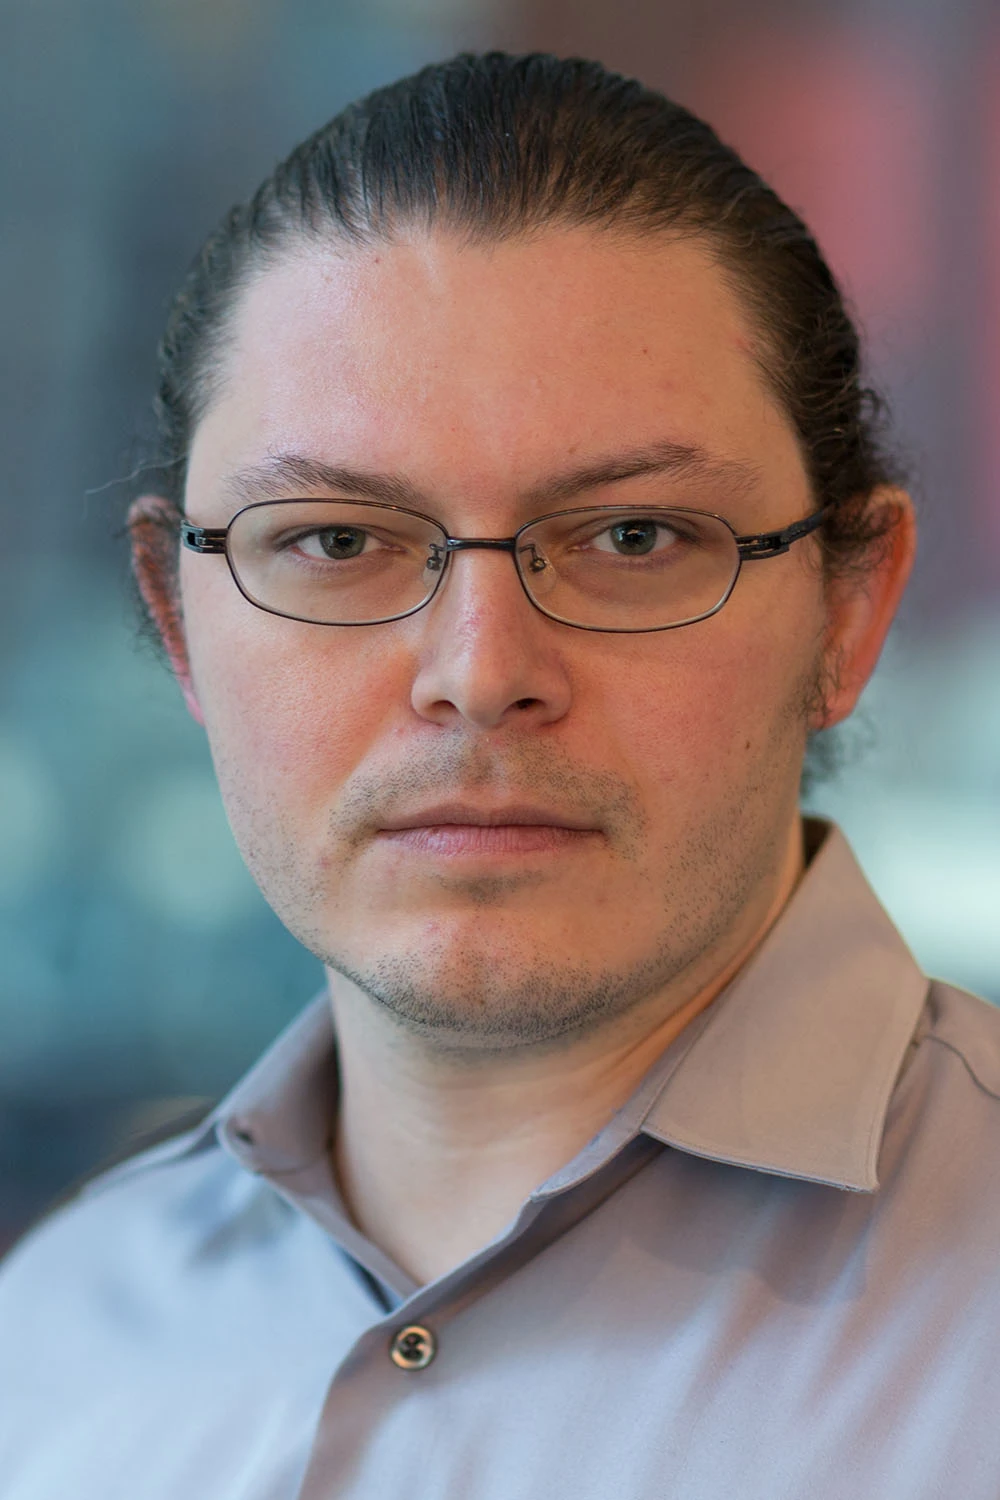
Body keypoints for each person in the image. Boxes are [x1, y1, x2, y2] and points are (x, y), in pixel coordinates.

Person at [1, 50, 998, 1500]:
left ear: (849, 612)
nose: (480, 669)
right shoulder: (53, 1341)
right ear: (176, 623)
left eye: (636, 537)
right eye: (337, 541)